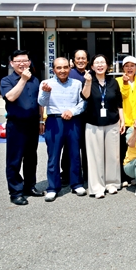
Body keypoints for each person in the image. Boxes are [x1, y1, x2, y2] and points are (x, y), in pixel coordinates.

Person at [38, 57, 86, 202]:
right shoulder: (46, 83)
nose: (62, 70)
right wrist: (46, 92)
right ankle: (52, 188)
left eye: (65, 67)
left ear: (70, 68)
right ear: (54, 69)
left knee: (74, 154)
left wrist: (72, 111)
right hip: (54, 121)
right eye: (59, 68)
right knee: (53, 156)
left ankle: (76, 184)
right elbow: (41, 102)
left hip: (73, 121)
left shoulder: (77, 83)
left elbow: (83, 103)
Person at [0, 50, 44, 205]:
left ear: (29, 62)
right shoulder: (7, 80)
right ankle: (15, 192)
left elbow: (39, 102)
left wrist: (41, 121)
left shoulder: (35, 80)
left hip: (33, 123)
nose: (22, 64)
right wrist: (23, 80)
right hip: (16, 125)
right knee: (14, 159)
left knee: (31, 158)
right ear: (11, 63)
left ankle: (29, 186)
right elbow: (11, 97)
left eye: (25, 60)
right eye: (18, 61)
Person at [81, 54, 125, 199]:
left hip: (112, 122)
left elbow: (119, 103)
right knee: (95, 156)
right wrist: (88, 82)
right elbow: (85, 96)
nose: (100, 65)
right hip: (93, 123)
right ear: (92, 66)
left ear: (107, 65)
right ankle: (97, 187)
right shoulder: (88, 80)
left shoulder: (113, 82)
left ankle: (112, 183)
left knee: (113, 155)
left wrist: (122, 120)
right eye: (97, 63)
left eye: (102, 62)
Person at [117, 55, 136, 187]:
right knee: (122, 150)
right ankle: (122, 177)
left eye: (132, 66)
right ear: (123, 68)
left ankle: (133, 175)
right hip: (123, 122)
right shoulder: (117, 82)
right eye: (126, 66)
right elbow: (120, 98)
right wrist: (126, 84)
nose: (129, 68)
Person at [65, 49, 90, 181]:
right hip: (72, 116)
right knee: (70, 145)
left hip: (88, 116)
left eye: (83, 58)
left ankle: (87, 173)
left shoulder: (91, 74)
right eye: (78, 58)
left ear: (87, 60)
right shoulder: (68, 73)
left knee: (87, 146)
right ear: (74, 61)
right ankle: (67, 174)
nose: (81, 61)